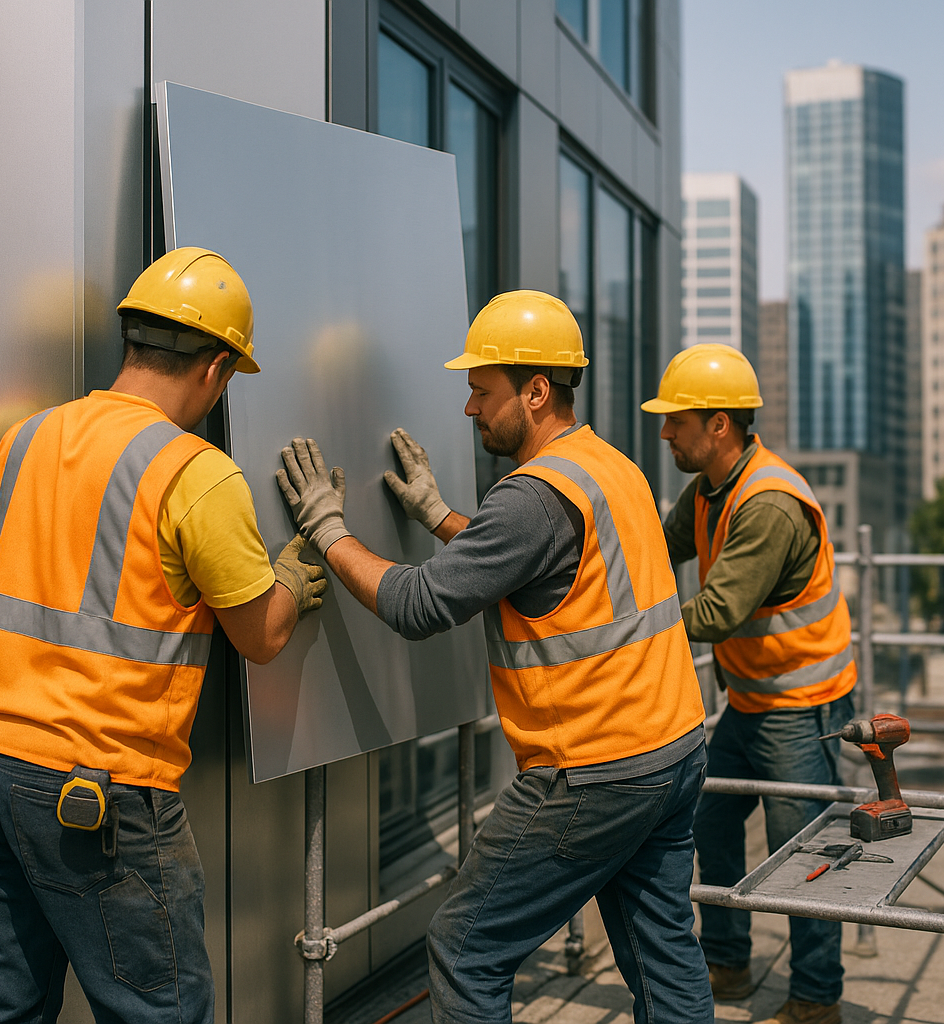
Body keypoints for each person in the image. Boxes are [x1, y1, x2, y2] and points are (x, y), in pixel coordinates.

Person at [276, 289, 714, 1024]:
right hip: (670, 755)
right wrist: (439, 515)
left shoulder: (530, 499)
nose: (471, 408)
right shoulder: (611, 467)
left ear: (535, 391)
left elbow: (417, 605)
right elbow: (536, 568)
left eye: (482, 390)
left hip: (592, 772)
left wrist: (328, 530)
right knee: (662, 955)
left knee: (465, 945)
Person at [0, 247, 326, 1024]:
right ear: (217, 368)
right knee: (161, 1011)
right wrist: (291, 576)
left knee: (0, 1011)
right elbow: (259, 636)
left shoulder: (22, 441)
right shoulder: (195, 472)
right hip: (97, 792)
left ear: (133, 342)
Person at [641, 344, 856, 1024]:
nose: (666, 432)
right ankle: (729, 963)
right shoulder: (708, 491)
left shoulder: (767, 504)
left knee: (808, 859)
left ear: (721, 426)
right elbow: (652, 547)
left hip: (803, 706)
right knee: (711, 818)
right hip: (753, 701)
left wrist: (618, 638)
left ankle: (817, 1000)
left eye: (678, 421)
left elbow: (717, 611)